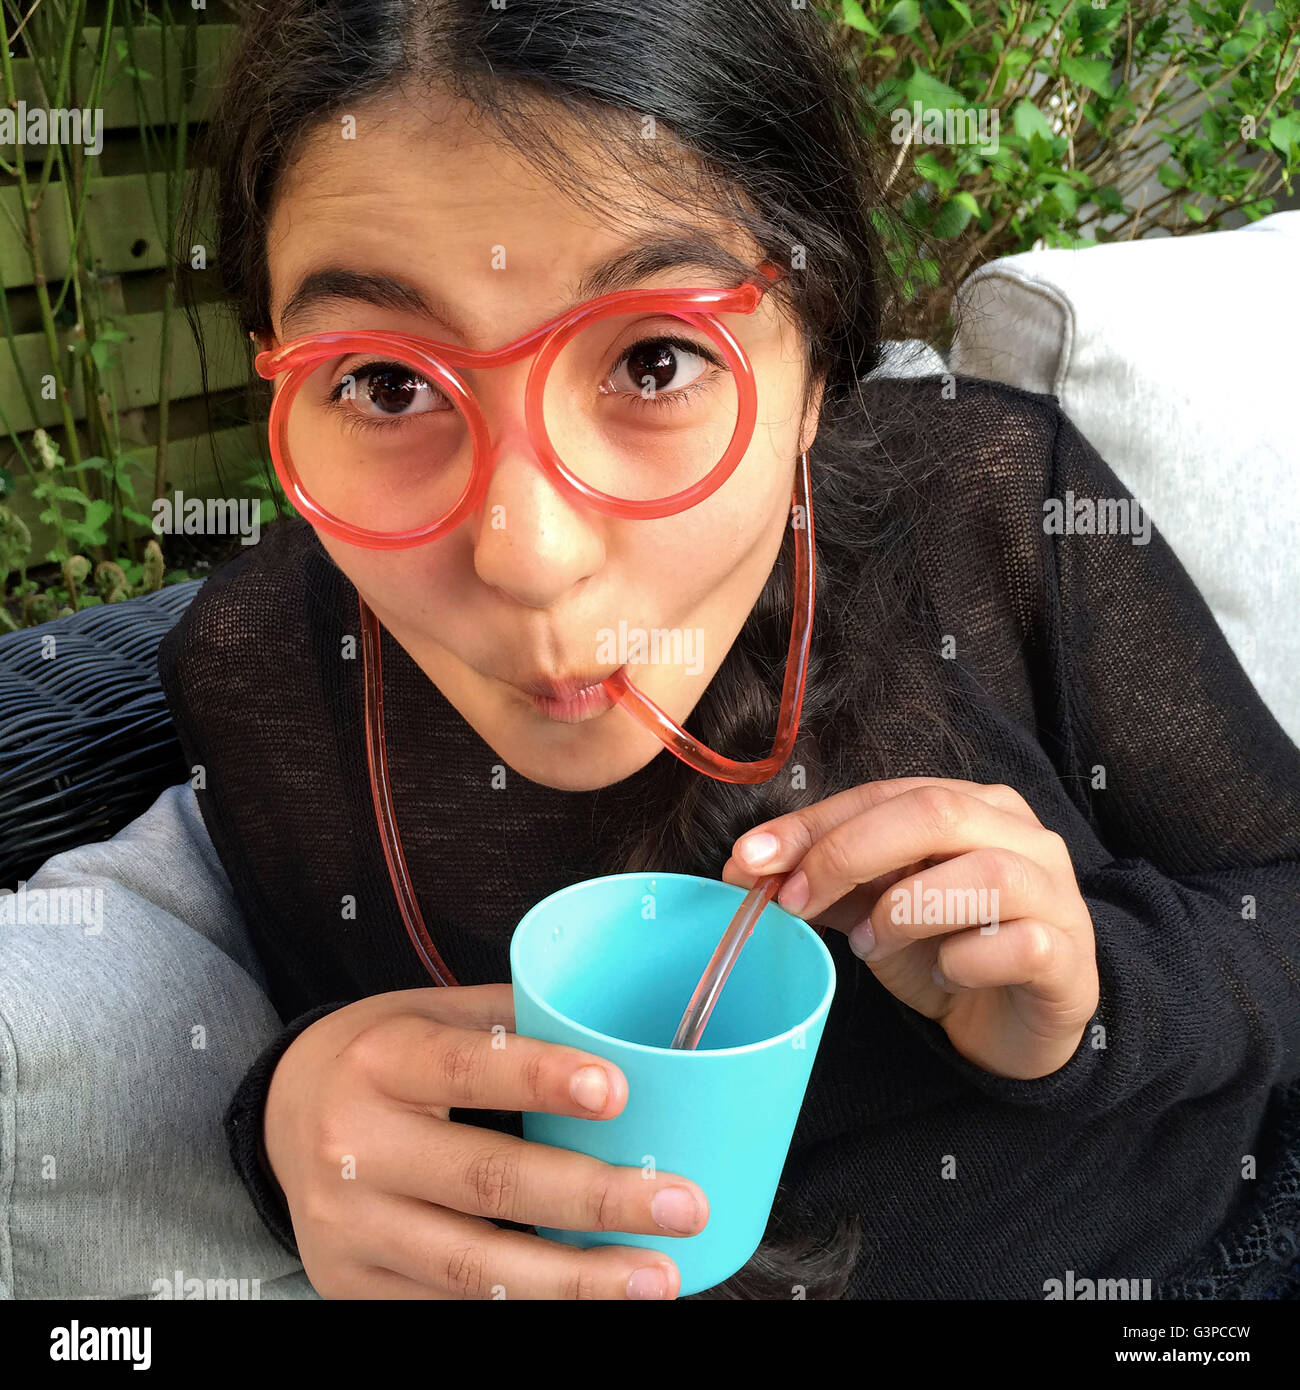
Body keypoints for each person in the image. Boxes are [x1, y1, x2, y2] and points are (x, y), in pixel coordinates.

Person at [35, 0, 1300, 1301]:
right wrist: (281, 1122)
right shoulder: (265, 676)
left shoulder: (996, 512)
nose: (525, 551)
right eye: (386, 382)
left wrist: (1102, 989)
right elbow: (348, 1020)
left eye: (653, 358)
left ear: (818, 363)